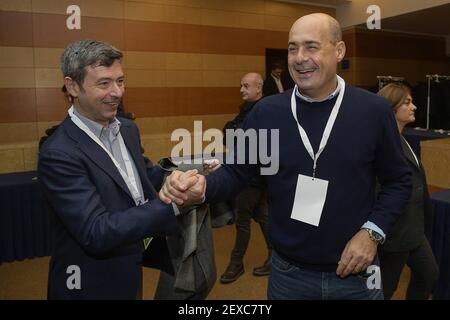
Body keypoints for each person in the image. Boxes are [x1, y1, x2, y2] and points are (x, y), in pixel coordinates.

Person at [160, 13, 412, 300]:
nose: (299, 57)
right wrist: (202, 187)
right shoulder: (267, 112)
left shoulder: (373, 111)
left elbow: (399, 181)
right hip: (288, 276)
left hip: (357, 274)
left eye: (311, 47)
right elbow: (236, 172)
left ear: (339, 51)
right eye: (293, 48)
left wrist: (372, 233)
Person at [38, 40, 196, 299]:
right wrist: (174, 204)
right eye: (104, 83)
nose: (118, 92)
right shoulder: (59, 153)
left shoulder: (127, 129)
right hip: (88, 283)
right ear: (72, 86)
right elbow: (96, 231)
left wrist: (175, 177)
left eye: (120, 81)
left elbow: (141, 178)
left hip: (130, 270)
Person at [377, 83, 439, 300]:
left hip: (413, 228)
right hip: (396, 231)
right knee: (385, 289)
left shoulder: (403, 138)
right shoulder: (383, 142)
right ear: (392, 108)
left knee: (428, 274)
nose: (413, 107)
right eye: (407, 102)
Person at [220, 73, 272, 284]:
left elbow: (239, 137)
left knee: (242, 218)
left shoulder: (262, 111)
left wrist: (233, 132)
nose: (241, 90)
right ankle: (274, 257)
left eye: (246, 86)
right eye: (241, 85)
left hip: (252, 176)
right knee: (262, 216)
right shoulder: (249, 110)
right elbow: (230, 134)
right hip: (258, 175)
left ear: (258, 88)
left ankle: (236, 263)